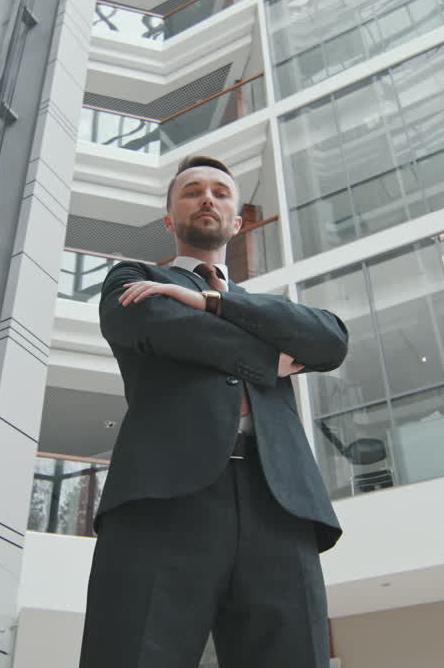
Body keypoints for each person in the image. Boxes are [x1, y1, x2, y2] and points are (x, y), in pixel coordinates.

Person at [78, 155, 349, 668]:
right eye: (192, 191)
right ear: (168, 219)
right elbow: (161, 325)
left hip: (281, 505)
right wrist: (272, 359)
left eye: (221, 193)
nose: (208, 198)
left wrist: (215, 304)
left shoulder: (261, 307)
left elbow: (331, 341)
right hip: (163, 500)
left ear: (237, 222)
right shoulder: (134, 278)